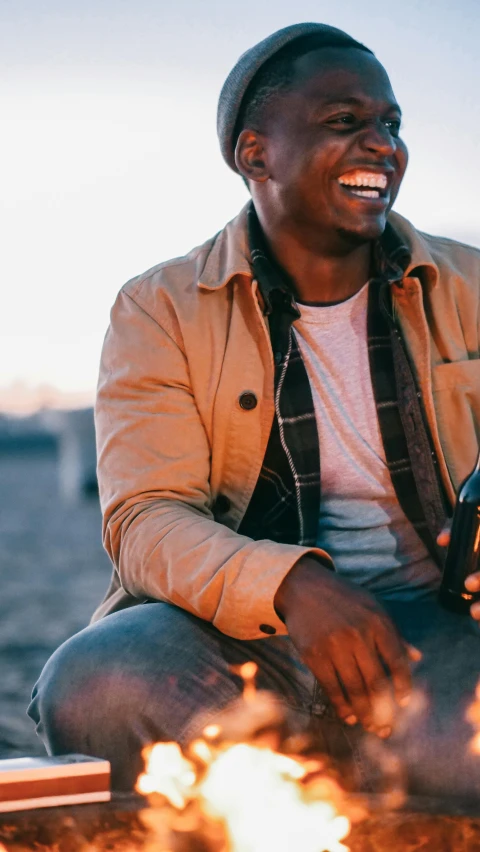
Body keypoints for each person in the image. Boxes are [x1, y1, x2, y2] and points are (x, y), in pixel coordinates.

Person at [29, 23, 480, 797]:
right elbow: (144, 520)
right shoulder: (160, 308)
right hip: (233, 638)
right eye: (346, 122)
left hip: (438, 639)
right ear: (254, 154)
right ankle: (340, 774)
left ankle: (321, 776)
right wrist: (294, 588)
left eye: (392, 124)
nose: (384, 146)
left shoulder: (469, 284)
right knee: (96, 681)